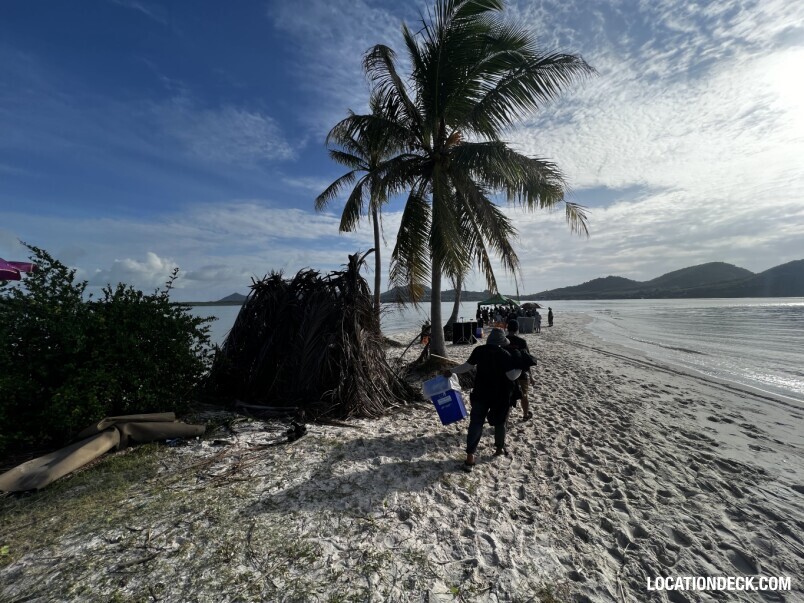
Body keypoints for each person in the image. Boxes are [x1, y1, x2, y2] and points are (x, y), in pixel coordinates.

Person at [445, 328, 521, 470]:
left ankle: (470, 457)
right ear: (501, 342)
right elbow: (511, 376)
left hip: (480, 393)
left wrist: (451, 371)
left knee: (476, 423)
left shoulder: (479, 350)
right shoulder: (504, 354)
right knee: (500, 422)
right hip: (499, 395)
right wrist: (520, 369)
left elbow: (467, 366)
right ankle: (499, 449)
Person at [505, 320, 534, 421]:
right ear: (517, 329)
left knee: (507, 396)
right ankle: (525, 415)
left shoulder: (503, 341)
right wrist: (531, 376)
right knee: (524, 395)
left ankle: (505, 418)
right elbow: (527, 359)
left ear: (507, 328)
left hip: (506, 373)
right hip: (521, 373)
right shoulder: (522, 342)